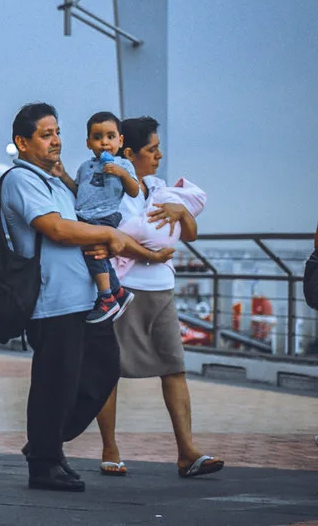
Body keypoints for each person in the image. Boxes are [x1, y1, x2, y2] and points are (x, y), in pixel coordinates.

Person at [2, 102, 148, 493]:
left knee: (103, 369)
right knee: (55, 383)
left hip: (84, 300)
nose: (55, 141)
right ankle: (44, 462)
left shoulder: (55, 182)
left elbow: (82, 222)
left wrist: (100, 239)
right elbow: (56, 229)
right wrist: (109, 236)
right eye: (45, 134)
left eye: (57, 132)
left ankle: (45, 443)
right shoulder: (22, 179)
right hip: (52, 301)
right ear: (22, 142)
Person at [94, 116, 223, 479]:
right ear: (129, 153)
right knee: (110, 370)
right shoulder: (111, 191)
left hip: (162, 291)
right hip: (123, 292)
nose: (159, 156)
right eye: (152, 150)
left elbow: (190, 234)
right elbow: (108, 237)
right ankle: (109, 449)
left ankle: (187, 452)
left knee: (174, 367)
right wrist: (149, 253)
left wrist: (182, 212)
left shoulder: (160, 189)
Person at [58, 111, 139, 324]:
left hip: (105, 216)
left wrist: (122, 174)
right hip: (84, 216)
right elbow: (79, 191)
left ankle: (106, 298)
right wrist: (63, 176)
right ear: (88, 143)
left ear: (120, 141)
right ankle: (119, 293)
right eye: (97, 137)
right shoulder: (85, 167)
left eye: (110, 137)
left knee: (93, 253)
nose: (104, 142)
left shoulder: (123, 165)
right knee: (98, 256)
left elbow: (134, 191)